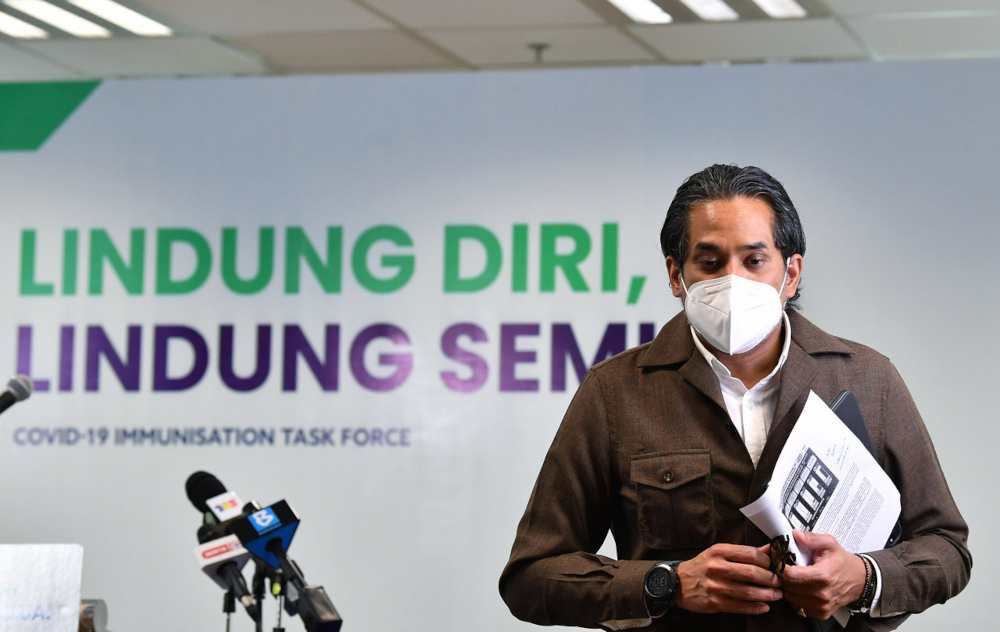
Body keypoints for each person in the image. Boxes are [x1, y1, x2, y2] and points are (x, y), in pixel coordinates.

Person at [499, 164, 971, 631]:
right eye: (709, 262)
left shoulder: (868, 378)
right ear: (675, 276)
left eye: (754, 260)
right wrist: (667, 583)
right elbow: (531, 577)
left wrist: (863, 579)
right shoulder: (615, 391)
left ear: (790, 273)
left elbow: (947, 548)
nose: (733, 281)